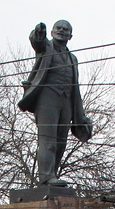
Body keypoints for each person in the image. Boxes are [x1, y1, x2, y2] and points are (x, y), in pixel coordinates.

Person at [17, 20, 93, 186]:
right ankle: (46, 177)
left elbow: (76, 87)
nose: (62, 31)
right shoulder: (46, 48)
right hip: (47, 97)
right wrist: (39, 31)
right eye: (58, 28)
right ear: (51, 32)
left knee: (61, 141)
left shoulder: (73, 58)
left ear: (70, 36)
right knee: (48, 139)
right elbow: (37, 41)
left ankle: (53, 175)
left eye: (66, 29)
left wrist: (80, 114)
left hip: (66, 100)